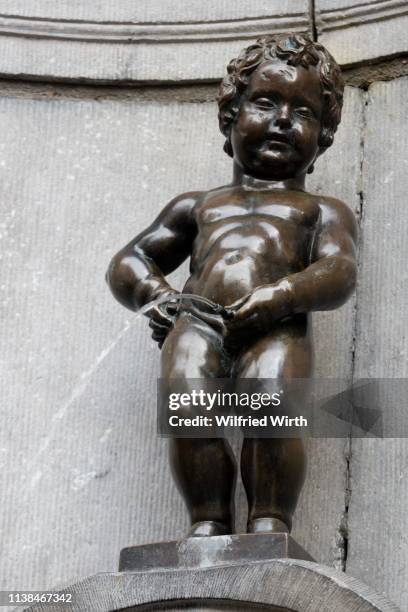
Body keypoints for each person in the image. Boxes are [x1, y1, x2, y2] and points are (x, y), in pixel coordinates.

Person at [106, 33, 357, 537]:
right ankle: (207, 522)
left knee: (271, 407)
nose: (284, 119)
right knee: (186, 406)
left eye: (304, 112)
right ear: (230, 115)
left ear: (324, 137)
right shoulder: (198, 205)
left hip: (277, 323)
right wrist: (155, 295)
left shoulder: (321, 210)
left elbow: (340, 271)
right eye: (266, 102)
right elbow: (130, 259)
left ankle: (270, 520)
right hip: (196, 319)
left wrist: (280, 296)